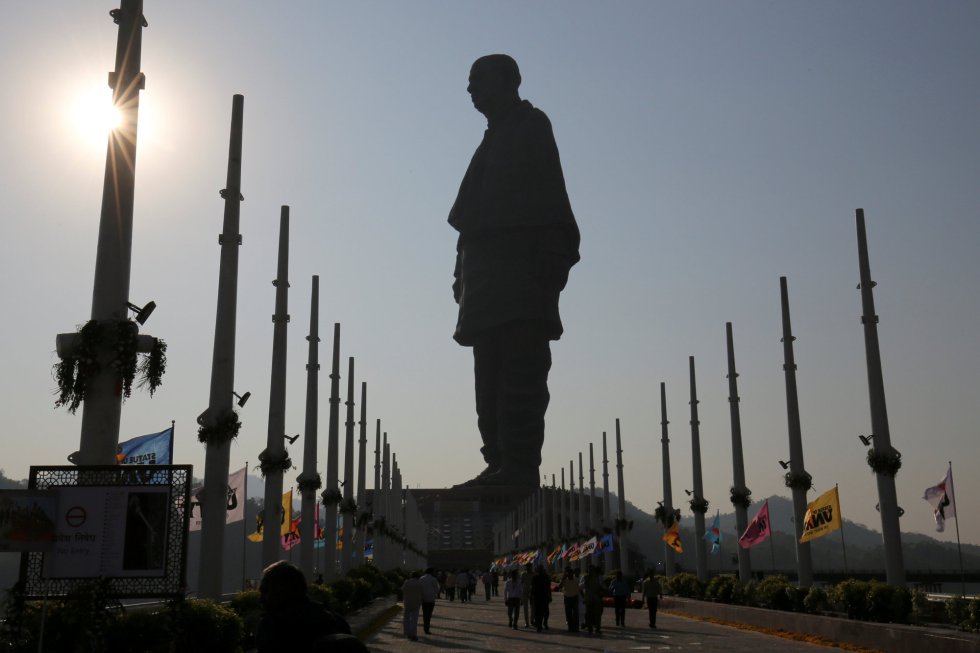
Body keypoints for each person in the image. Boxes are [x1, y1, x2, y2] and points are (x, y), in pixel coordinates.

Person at [449, 54, 581, 488]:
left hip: (520, 277)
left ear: (508, 81)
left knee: (520, 376)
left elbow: (549, 198)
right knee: (486, 381)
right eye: (469, 82)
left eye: (478, 80)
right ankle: (498, 461)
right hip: (484, 283)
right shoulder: (489, 141)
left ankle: (519, 467)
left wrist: (549, 264)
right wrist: (460, 273)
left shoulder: (531, 126)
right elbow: (469, 221)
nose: (471, 89)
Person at [255, 561, 353, 652]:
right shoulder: (335, 622)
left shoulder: (272, 629)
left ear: (283, 592)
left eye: (265, 592)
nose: (261, 600)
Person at [580, 565, 604, 635]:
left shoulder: (598, 577)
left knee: (597, 614)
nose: (591, 572)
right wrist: (583, 596)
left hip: (596, 598)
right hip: (588, 598)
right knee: (589, 614)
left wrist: (603, 591)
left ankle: (597, 629)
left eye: (592, 570)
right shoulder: (585, 578)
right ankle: (590, 628)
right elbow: (580, 587)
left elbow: (602, 586)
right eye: (589, 570)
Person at [402, 572, 423, 641]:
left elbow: (403, 589)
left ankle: (406, 632)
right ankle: (413, 634)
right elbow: (422, 592)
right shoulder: (419, 583)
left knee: (406, 618)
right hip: (416, 603)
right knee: (414, 619)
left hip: (407, 602)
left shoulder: (406, 582)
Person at [531, 565, 552, 632]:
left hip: (544, 596)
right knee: (538, 612)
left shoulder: (546, 578)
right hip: (537, 596)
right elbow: (532, 588)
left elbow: (549, 588)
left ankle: (545, 622)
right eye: (540, 570)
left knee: (546, 612)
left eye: (541, 570)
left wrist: (550, 596)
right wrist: (532, 596)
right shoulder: (535, 578)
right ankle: (539, 625)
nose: (541, 571)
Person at [419, 567, 441, 635]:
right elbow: (437, 589)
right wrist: (435, 594)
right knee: (429, 614)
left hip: (423, 598)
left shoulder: (421, 578)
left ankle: (425, 627)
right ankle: (427, 629)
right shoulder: (433, 579)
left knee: (425, 613)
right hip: (431, 599)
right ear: (432, 572)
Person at [560, 567, 580, 633]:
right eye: (568, 573)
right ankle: (570, 627)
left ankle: (576, 627)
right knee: (568, 614)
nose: (570, 575)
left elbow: (580, 589)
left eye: (571, 573)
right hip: (567, 598)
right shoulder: (564, 581)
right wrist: (563, 578)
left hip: (574, 598)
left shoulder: (576, 580)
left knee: (575, 614)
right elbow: (559, 587)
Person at [520, 563, 534, 627]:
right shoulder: (523, 574)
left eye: (529, 567)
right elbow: (521, 583)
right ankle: (527, 622)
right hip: (525, 592)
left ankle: (532, 620)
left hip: (532, 592)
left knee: (533, 607)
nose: (528, 568)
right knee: (525, 608)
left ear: (531, 567)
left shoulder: (534, 574)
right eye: (527, 567)